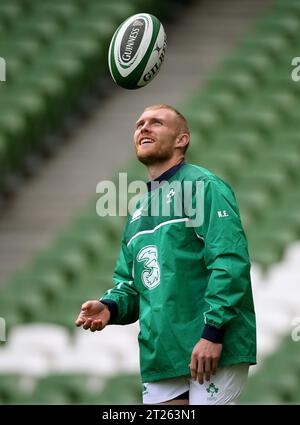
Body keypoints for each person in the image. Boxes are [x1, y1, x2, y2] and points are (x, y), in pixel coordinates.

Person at [75, 104, 256, 405]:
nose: (144, 128)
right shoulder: (138, 212)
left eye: (156, 123)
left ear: (181, 139)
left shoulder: (203, 186)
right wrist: (110, 307)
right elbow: (131, 284)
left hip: (211, 347)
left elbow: (229, 260)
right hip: (161, 354)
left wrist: (213, 333)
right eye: (139, 124)